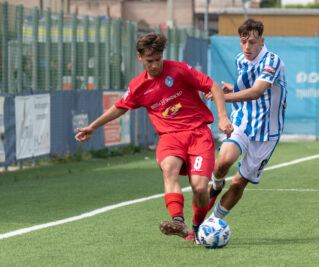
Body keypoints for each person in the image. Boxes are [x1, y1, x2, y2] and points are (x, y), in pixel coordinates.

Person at [75, 32, 233, 244]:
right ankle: (178, 221)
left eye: (158, 59)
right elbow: (119, 107)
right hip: (170, 137)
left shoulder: (179, 70)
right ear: (140, 58)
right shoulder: (137, 87)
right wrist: (93, 126)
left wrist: (223, 118)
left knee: (200, 188)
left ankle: (196, 227)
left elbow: (213, 86)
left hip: (198, 134)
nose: (155, 65)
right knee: (169, 169)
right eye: (150, 61)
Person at [204, 19, 287, 222]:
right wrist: (233, 88)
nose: (247, 47)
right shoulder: (240, 59)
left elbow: (258, 91)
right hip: (243, 120)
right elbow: (250, 85)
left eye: (252, 42)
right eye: (243, 42)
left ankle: (213, 222)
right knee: (224, 160)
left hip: (268, 131)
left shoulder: (272, 61)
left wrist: (221, 97)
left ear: (262, 41)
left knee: (239, 183)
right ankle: (216, 184)